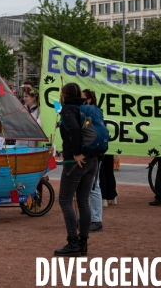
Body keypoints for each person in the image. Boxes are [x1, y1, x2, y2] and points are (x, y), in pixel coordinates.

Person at [55, 83, 98, 257]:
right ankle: (83, 243)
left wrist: (76, 152)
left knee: (65, 200)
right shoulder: (85, 107)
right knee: (83, 201)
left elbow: (73, 129)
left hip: (75, 161)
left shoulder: (68, 110)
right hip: (92, 159)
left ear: (65, 95)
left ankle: (73, 242)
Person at [82, 89, 103, 232]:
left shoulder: (92, 112)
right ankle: (87, 217)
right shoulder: (92, 111)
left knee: (94, 186)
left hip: (94, 151)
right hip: (90, 150)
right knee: (86, 186)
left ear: (89, 100)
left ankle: (96, 220)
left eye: (83, 99)